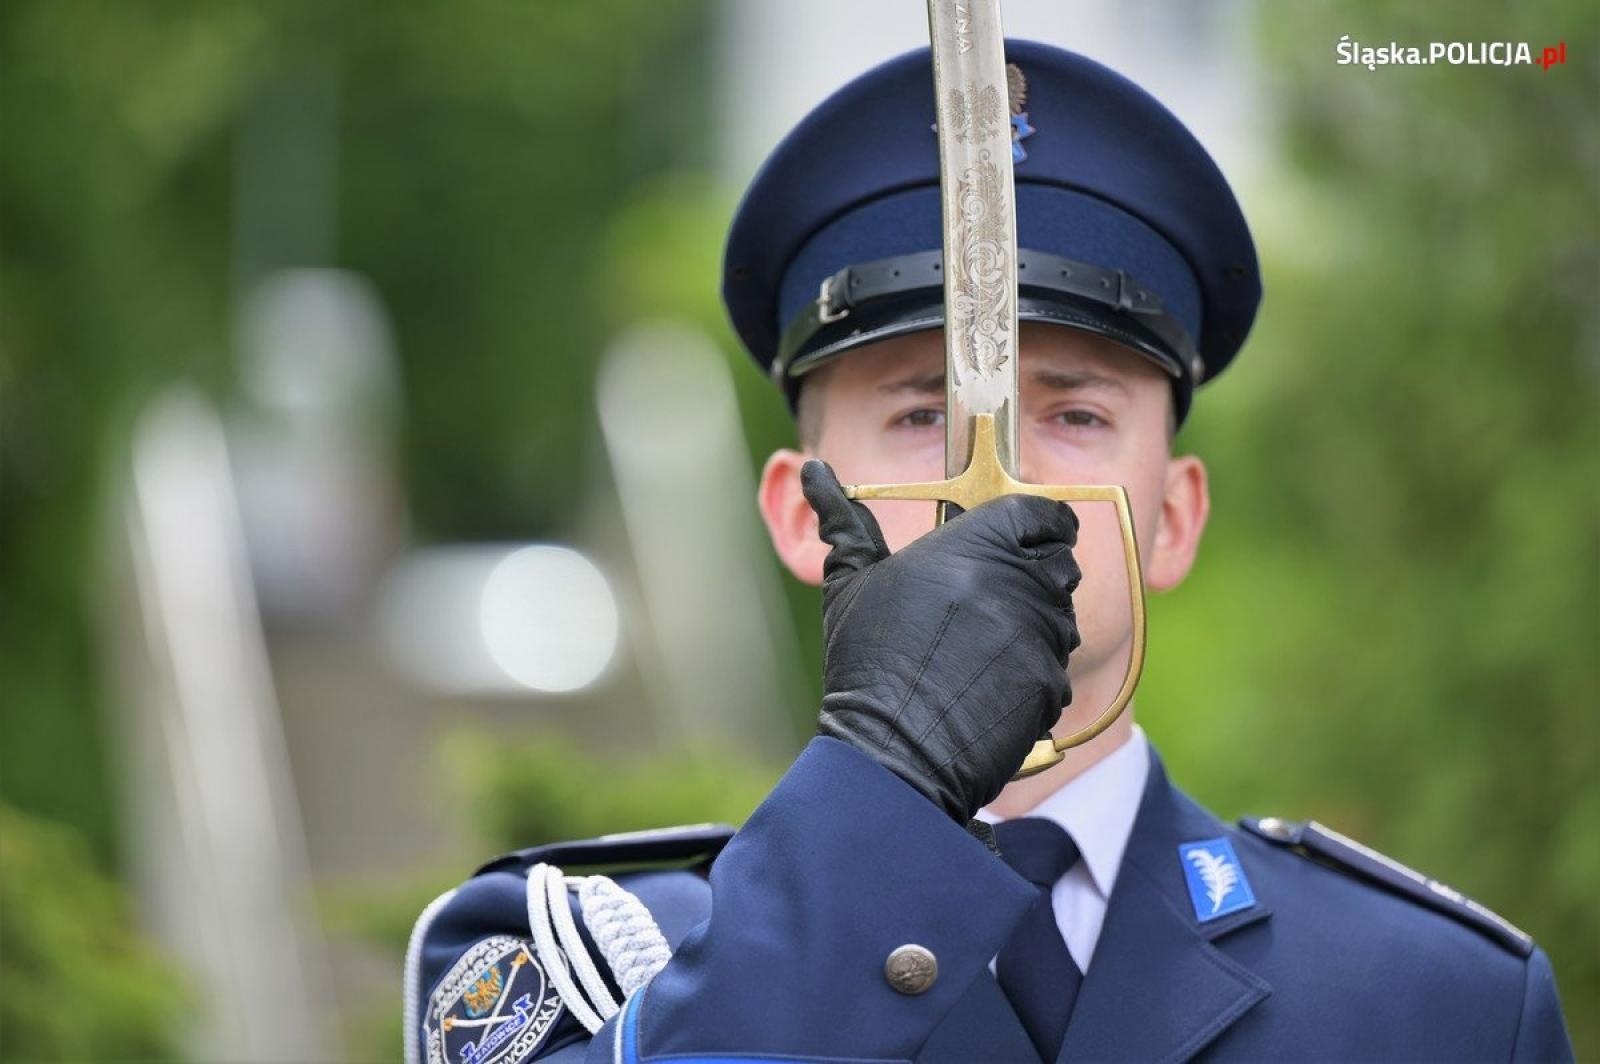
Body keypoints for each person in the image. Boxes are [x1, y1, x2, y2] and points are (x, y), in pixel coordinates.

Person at [406, 41, 1574, 1064]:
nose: (998, 486)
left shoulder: (1438, 999)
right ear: (801, 515)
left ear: (1172, 515)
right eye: (924, 415)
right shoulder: (598, 961)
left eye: (1072, 415)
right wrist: (890, 784)